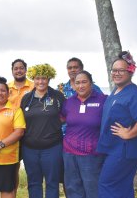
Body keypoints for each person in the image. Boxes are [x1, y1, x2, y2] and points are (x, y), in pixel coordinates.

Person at [97, 51, 137, 198]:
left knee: (107, 184)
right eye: (114, 70)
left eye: (121, 70)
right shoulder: (116, 90)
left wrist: (129, 133)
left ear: (130, 71)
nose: (116, 73)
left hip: (124, 150)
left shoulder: (134, 93)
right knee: (122, 188)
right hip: (114, 148)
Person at [20, 64, 65, 198]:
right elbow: (21, 119)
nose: (40, 82)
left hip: (52, 147)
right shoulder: (26, 98)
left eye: (44, 78)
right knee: (34, 182)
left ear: (49, 79)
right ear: (33, 79)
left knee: (52, 182)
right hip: (29, 148)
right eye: (37, 78)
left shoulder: (57, 96)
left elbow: (67, 115)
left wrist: (53, 124)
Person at [60, 70, 107, 198]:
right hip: (69, 153)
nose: (80, 86)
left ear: (91, 83)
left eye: (84, 82)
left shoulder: (102, 100)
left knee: (92, 189)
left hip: (92, 155)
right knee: (72, 188)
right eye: (77, 83)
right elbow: (61, 119)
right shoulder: (69, 102)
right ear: (73, 85)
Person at [8, 59, 34, 195]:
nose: (18, 71)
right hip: (12, 134)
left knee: (32, 169)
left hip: (31, 133)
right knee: (13, 169)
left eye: (21, 68)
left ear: (26, 70)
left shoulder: (34, 86)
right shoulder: (6, 88)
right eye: (16, 68)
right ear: (12, 71)